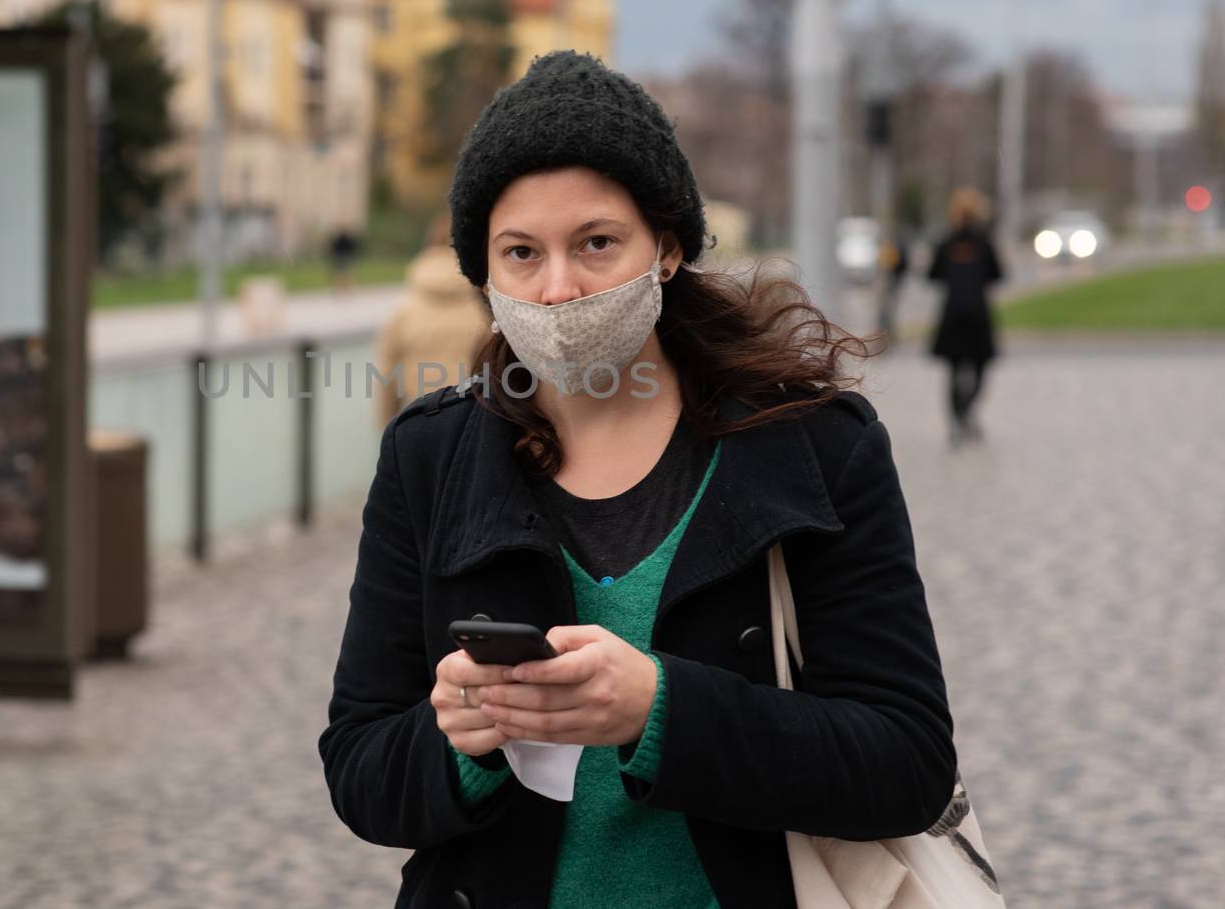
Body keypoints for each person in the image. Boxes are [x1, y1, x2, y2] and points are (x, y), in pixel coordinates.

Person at [319, 52, 959, 908]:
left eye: (596, 243)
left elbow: (907, 763)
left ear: (665, 247)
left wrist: (662, 712)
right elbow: (360, 769)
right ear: (483, 272)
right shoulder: (428, 458)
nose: (556, 288)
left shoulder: (815, 447)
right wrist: (458, 746)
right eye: (520, 253)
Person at [373, 213, 491, 428]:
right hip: (473, 418)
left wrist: (386, 426)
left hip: (417, 417)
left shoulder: (406, 307)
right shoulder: (484, 307)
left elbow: (387, 373)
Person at [927, 187, 1005, 447]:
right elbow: (998, 274)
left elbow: (932, 275)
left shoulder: (946, 242)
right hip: (978, 315)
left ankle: (957, 417)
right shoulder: (984, 243)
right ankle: (966, 411)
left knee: (953, 369)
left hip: (952, 314)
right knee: (980, 367)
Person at [329, 224, 360, 294]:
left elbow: (334, 249)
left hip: (342, 257)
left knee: (343, 274)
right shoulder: (346, 238)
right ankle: (344, 289)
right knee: (345, 274)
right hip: (344, 257)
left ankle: (344, 289)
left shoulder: (339, 239)